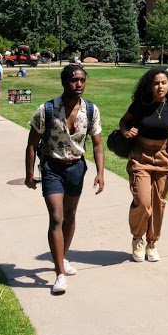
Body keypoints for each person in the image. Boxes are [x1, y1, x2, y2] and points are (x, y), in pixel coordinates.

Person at [25, 65, 104, 295]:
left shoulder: (90, 110)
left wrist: (100, 172)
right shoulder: (47, 109)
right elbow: (31, 144)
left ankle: (63, 257)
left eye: (82, 80)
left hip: (76, 168)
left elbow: (98, 144)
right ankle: (59, 273)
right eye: (73, 80)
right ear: (63, 83)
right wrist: (30, 174)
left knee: (70, 216)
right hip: (52, 168)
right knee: (56, 217)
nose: (78, 84)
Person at [118, 69, 168, 264]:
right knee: (144, 203)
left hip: (163, 158)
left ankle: (152, 242)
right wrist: (126, 131)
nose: (160, 86)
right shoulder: (139, 106)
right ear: (149, 86)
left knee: (158, 204)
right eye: (155, 83)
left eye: (163, 82)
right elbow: (123, 122)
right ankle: (137, 237)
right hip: (140, 157)